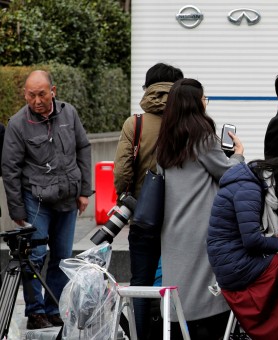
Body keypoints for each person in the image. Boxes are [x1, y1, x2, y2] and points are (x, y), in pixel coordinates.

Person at [2, 70, 92, 330]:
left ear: (54, 90)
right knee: (35, 255)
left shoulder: (69, 113)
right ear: (24, 94)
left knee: (63, 258)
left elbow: (83, 148)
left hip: (67, 198)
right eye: (31, 95)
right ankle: (35, 312)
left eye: (42, 94)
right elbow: (10, 169)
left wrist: (85, 190)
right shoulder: (18, 124)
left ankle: (53, 308)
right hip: (36, 200)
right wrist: (17, 209)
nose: (37, 100)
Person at [156, 78, 244, 339]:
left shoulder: (165, 141)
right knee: (204, 282)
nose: (206, 103)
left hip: (172, 225)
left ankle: (178, 324)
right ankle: (205, 328)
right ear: (195, 103)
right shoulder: (203, 137)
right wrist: (238, 153)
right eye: (204, 98)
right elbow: (227, 173)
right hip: (201, 224)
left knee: (178, 280)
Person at [207, 156, 278, 340]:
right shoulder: (250, 189)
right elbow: (252, 240)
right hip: (234, 267)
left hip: (231, 261)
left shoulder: (251, 182)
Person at [113, 62, 183, 339]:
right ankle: (175, 333)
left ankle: (143, 334)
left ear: (148, 88)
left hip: (143, 216)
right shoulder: (186, 122)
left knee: (141, 281)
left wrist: (128, 197)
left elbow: (121, 171)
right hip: (180, 217)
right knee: (179, 279)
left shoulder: (136, 123)